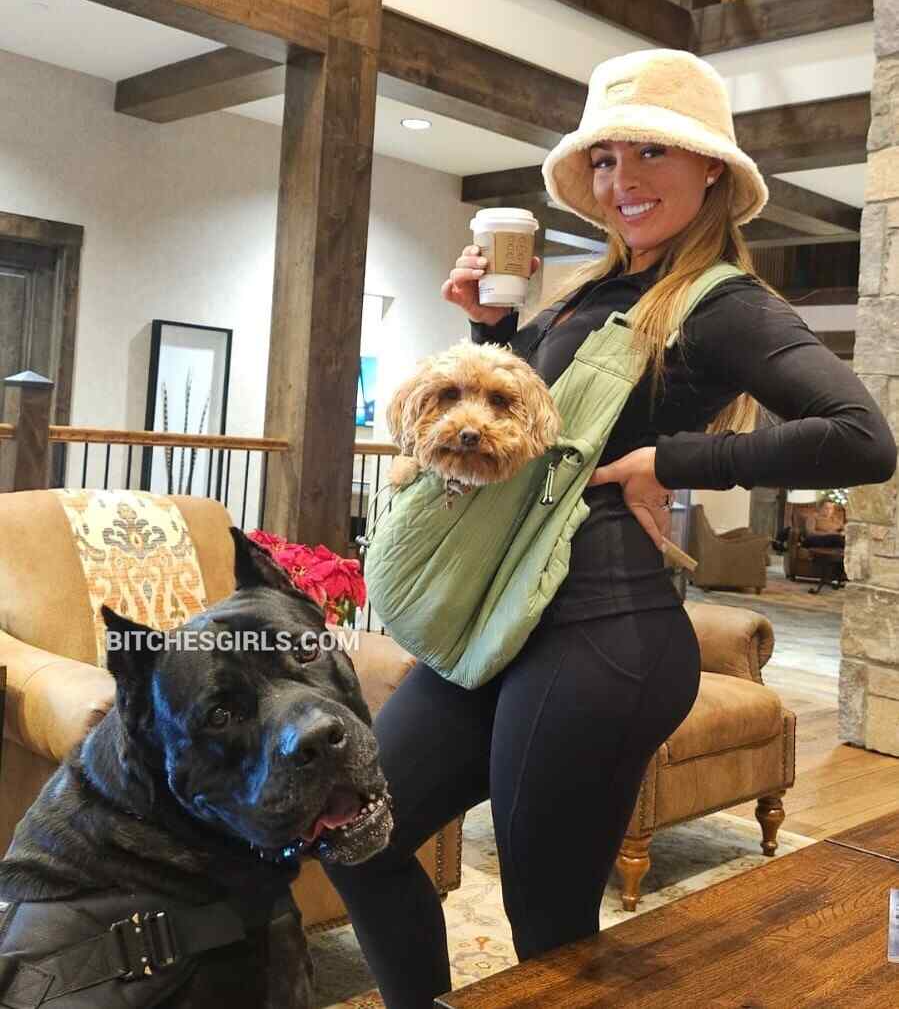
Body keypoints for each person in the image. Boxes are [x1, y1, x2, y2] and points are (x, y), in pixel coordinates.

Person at [321, 49, 897, 1009]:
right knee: (355, 832)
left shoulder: (723, 303)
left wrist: (671, 461)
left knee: (545, 920)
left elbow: (862, 438)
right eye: (604, 157)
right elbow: (531, 437)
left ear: (710, 168)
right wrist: (493, 331)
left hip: (603, 632)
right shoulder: (582, 293)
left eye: (651, 152)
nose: (621, 177)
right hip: (503, 612)